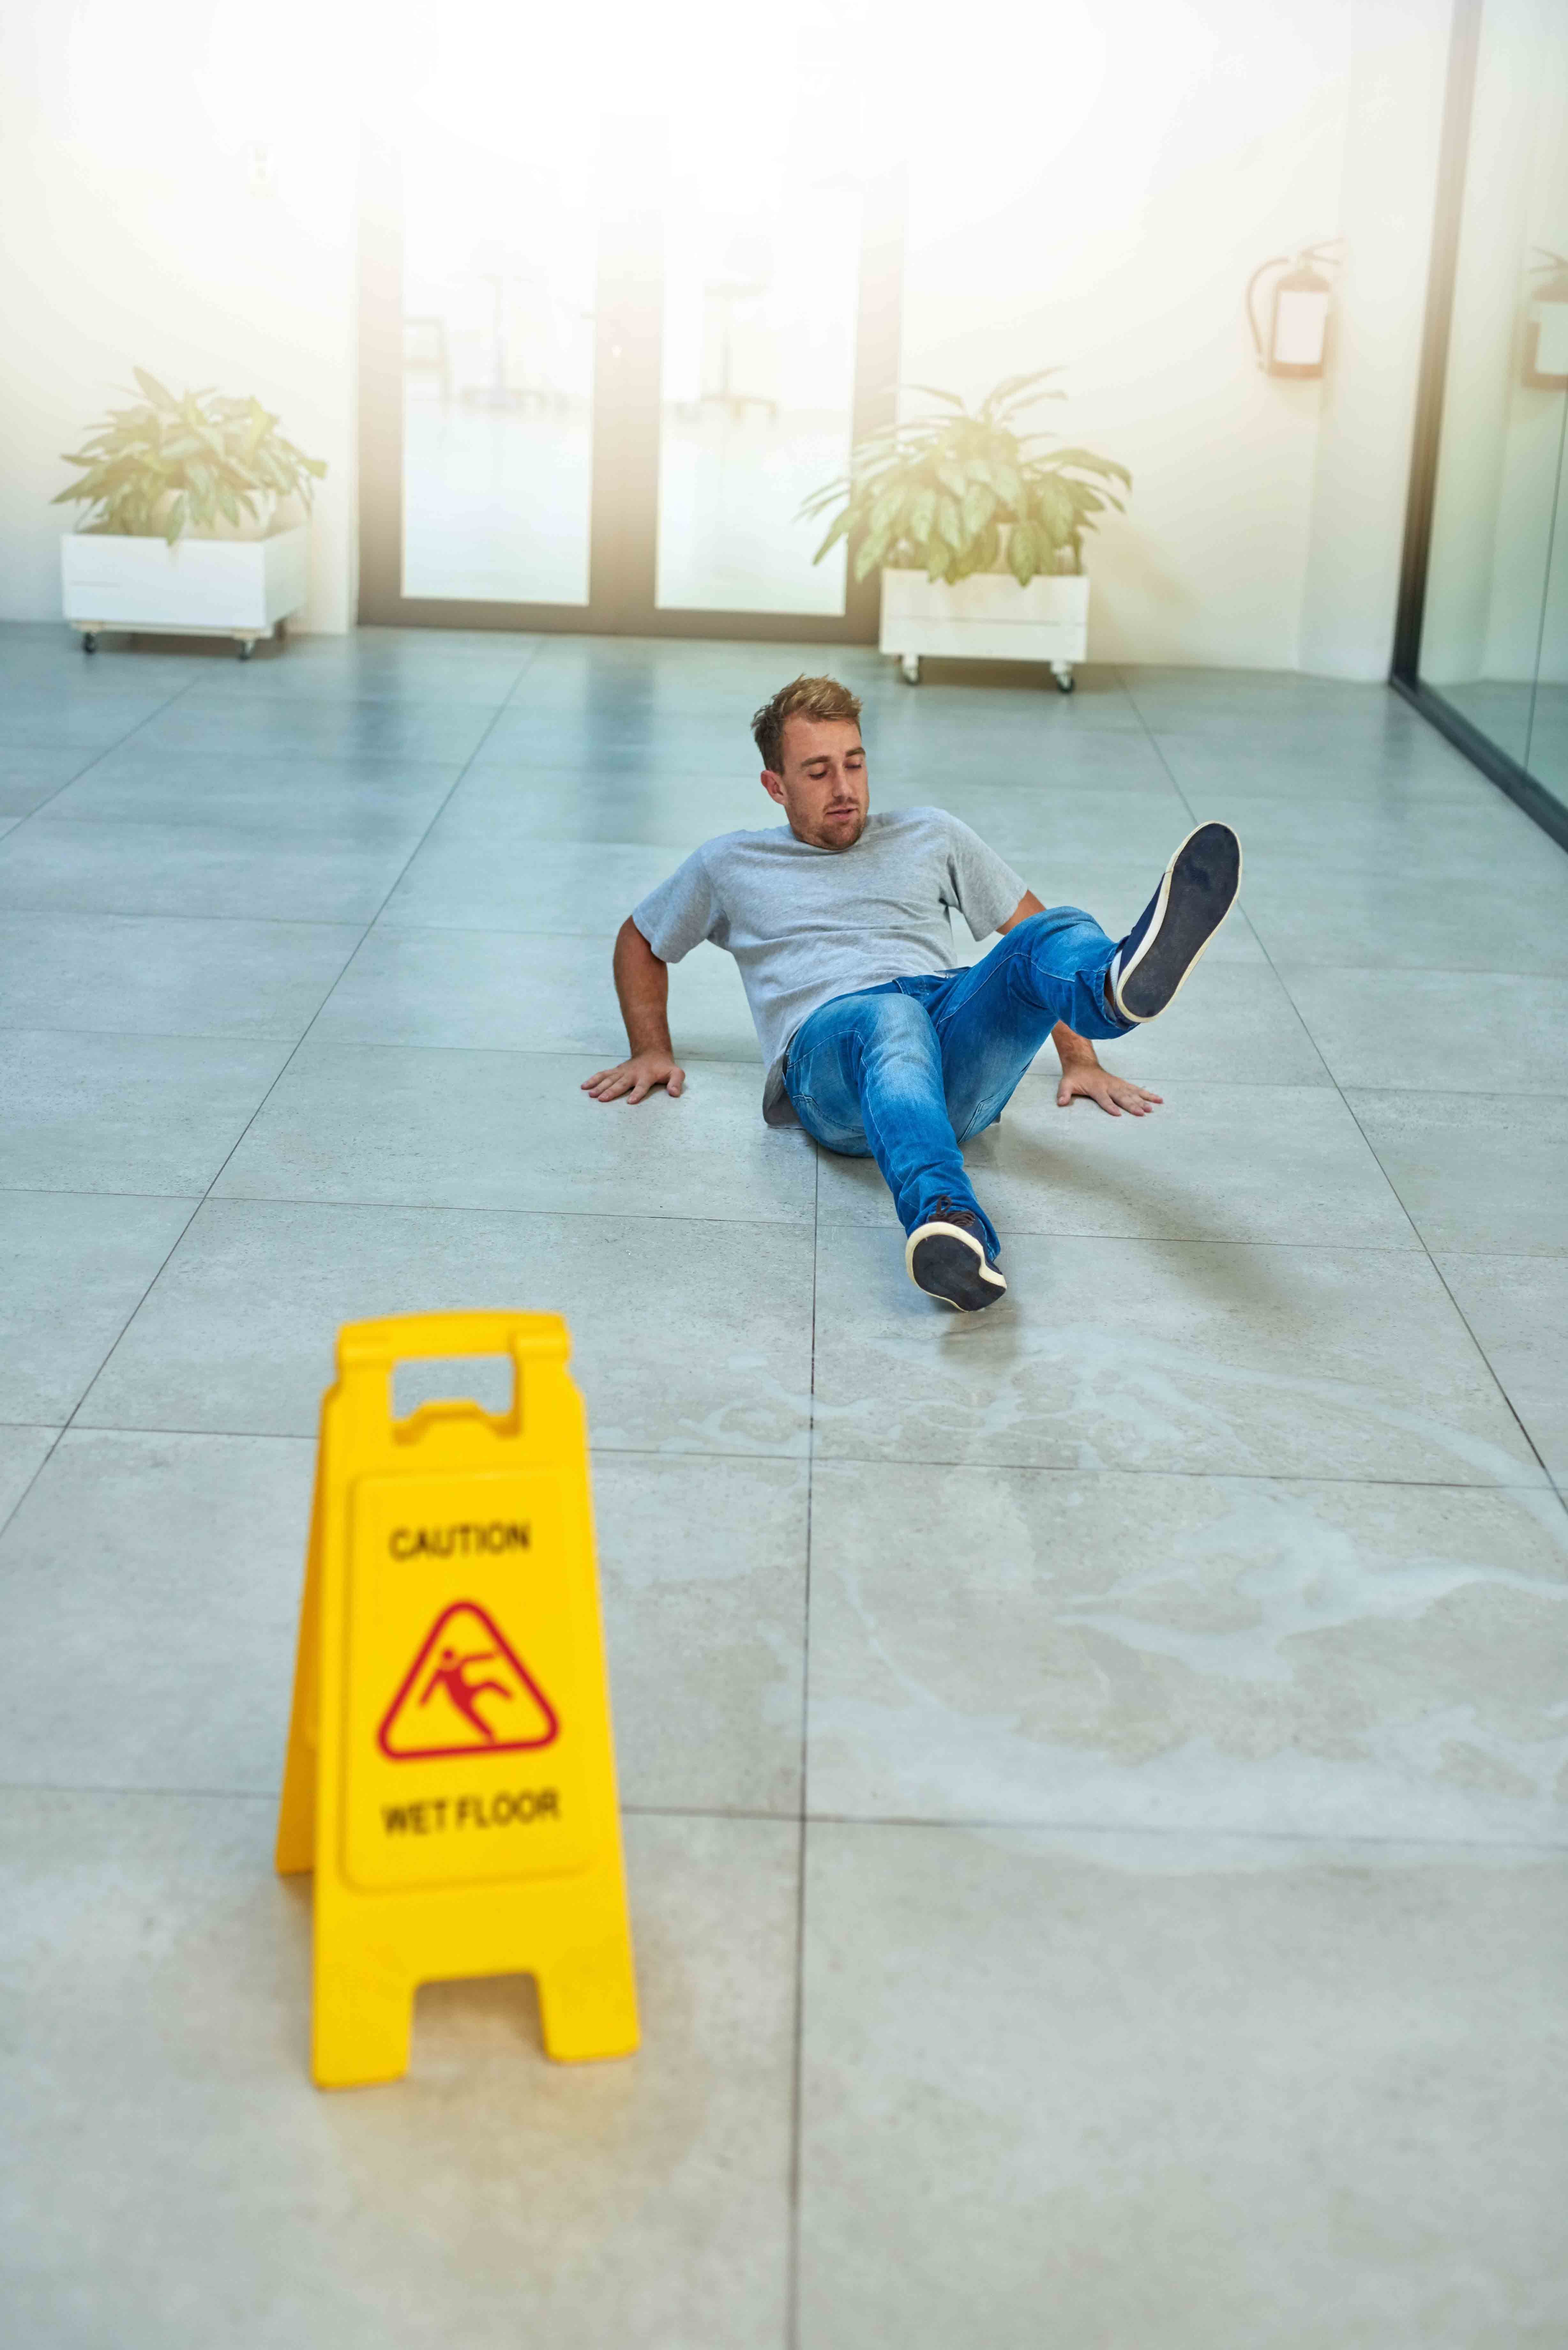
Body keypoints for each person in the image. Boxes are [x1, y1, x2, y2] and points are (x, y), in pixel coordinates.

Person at [582, 675, 1241, 1312]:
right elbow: (641, 937)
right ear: (775, 786)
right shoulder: (730, 863)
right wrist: (650, 1049)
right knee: (891, 1016)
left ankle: (1110, 994)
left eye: (854, 763)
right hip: (831, 1061)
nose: (845, 789)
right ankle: (948, 1221)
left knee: (1053, 929)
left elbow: (1032, 938)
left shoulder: (931, 834)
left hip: (948, 1042)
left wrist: (1080, 1058)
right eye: (818, 773)